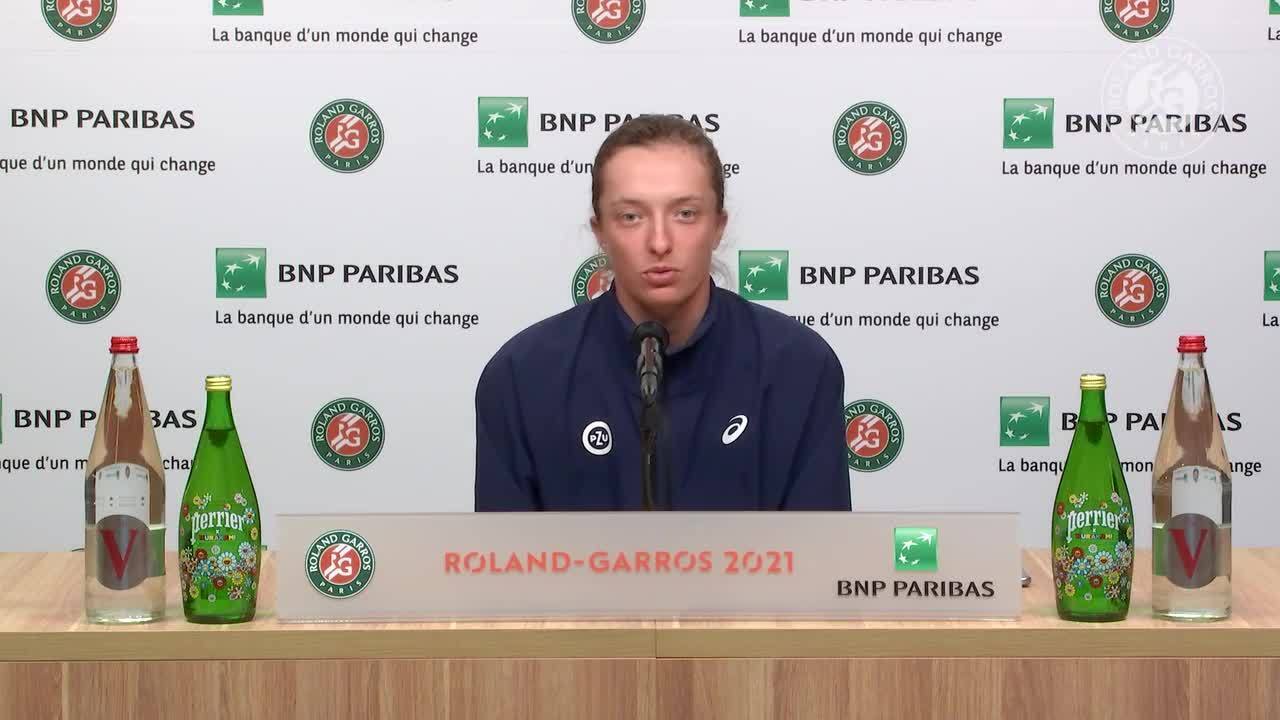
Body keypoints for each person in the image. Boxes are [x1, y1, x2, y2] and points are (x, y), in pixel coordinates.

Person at [474, 115, 850, 511]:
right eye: (631, 217)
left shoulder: (798, 366)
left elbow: (822, 546)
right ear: (600, 232)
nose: (659, 242)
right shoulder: (522, 376)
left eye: (685, 213)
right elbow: (503, 549)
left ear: (718, 226)